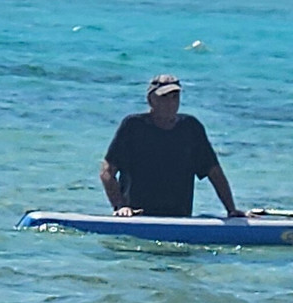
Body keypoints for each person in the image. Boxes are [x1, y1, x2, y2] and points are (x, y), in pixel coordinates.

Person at [100, 74, 245, 218]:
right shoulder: (134, 126)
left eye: (175, 97)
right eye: (164, 98)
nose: (170, 103)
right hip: (138, 217)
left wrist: (231, 209)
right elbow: (107, 172)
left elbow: (214, 172)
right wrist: (120, 206)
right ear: (151, 100)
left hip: (179, 219)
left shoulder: (190, 128)